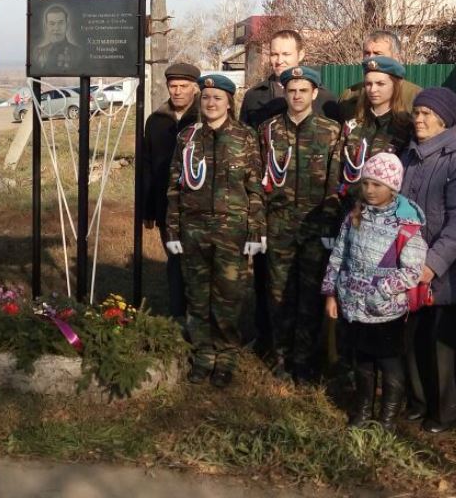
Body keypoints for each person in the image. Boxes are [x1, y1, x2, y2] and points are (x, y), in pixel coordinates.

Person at [166, 74, 265, 389]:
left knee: (228, 296)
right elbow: (174, 187)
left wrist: (255, 232)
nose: (211, 103)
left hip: (231, 231)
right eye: (206, 98)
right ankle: (204, 354)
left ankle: (226, 356)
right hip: (193, 230)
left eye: (217, 98)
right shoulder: (187, 137)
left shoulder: (245, 137)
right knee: (197, 296)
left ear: (229, 102)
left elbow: (256, 189)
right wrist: (173, 231)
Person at [323, 152, 428, 429]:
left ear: (392, 187)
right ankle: (362, 412)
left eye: (377, 185)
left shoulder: (406, 224)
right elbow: (338, 254)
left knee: (389, 363)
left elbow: (413, 270)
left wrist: (382, 289)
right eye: (366, 183)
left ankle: (388, 419)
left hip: (385, 310)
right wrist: (331, 292)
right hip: (354, 305)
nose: (370, 190)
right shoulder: (355, 216)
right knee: (363, 362)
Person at [399, 88, 456, 434]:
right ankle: (418, 402)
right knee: (412, 338)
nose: (419, 119)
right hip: (408, 267)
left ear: (445, 118)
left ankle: (446, 410)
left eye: (426, 114)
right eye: (416, 113)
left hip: (444, 273)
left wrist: (431, 265)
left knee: (441, 343)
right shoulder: (410, 155)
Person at [255, 66, 343, 383]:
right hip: (278, 227)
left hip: (314, 229)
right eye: (291, 90)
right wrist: (259, 227)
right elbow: (258, 181)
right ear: (284, 92)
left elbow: (336, 186)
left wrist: (330, 229)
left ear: (314, 93)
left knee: (309, 297)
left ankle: (304, 362)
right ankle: (281, 358)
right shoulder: (267, 131)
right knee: (278, 295)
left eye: (303, 90)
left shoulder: (332, 132)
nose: (296, 96)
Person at [142, 62, 200, 319]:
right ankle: (178, 318)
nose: (177, 91)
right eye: (173, 86)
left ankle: (199, 320)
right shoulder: (156, 121)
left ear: (195, 88)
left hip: (201, 208)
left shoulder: (205, 118)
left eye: (183, 86)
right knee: (175, 263)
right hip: (167, 207)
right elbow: (147, 167)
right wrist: (148, 208)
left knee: (199, 267)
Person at [336, 56, 414, 199]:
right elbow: (339, 168)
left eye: (380, 83)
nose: (373, 89)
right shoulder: (353, 125)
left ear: (395, 85)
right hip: (350, 208)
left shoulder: (406, 127)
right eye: (368, 84)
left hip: (386, 211)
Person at [239, 29, 339, 130]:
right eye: (274, 54)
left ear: (300, 55)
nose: (279, 61)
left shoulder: (324, 98)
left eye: (286, 54)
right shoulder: (253, 96)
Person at [336, 31, 422, 121]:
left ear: (396, 58)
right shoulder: (349, 95)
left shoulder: (415, 97)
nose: (371, 58)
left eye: (378, 54)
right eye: (367, 53)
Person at [32, 5, 85, 74]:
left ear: (67, 25)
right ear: (46, 26)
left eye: (60, 23)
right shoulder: (38, 53)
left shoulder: (78, 53)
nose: (56, 28)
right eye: (52, 24)